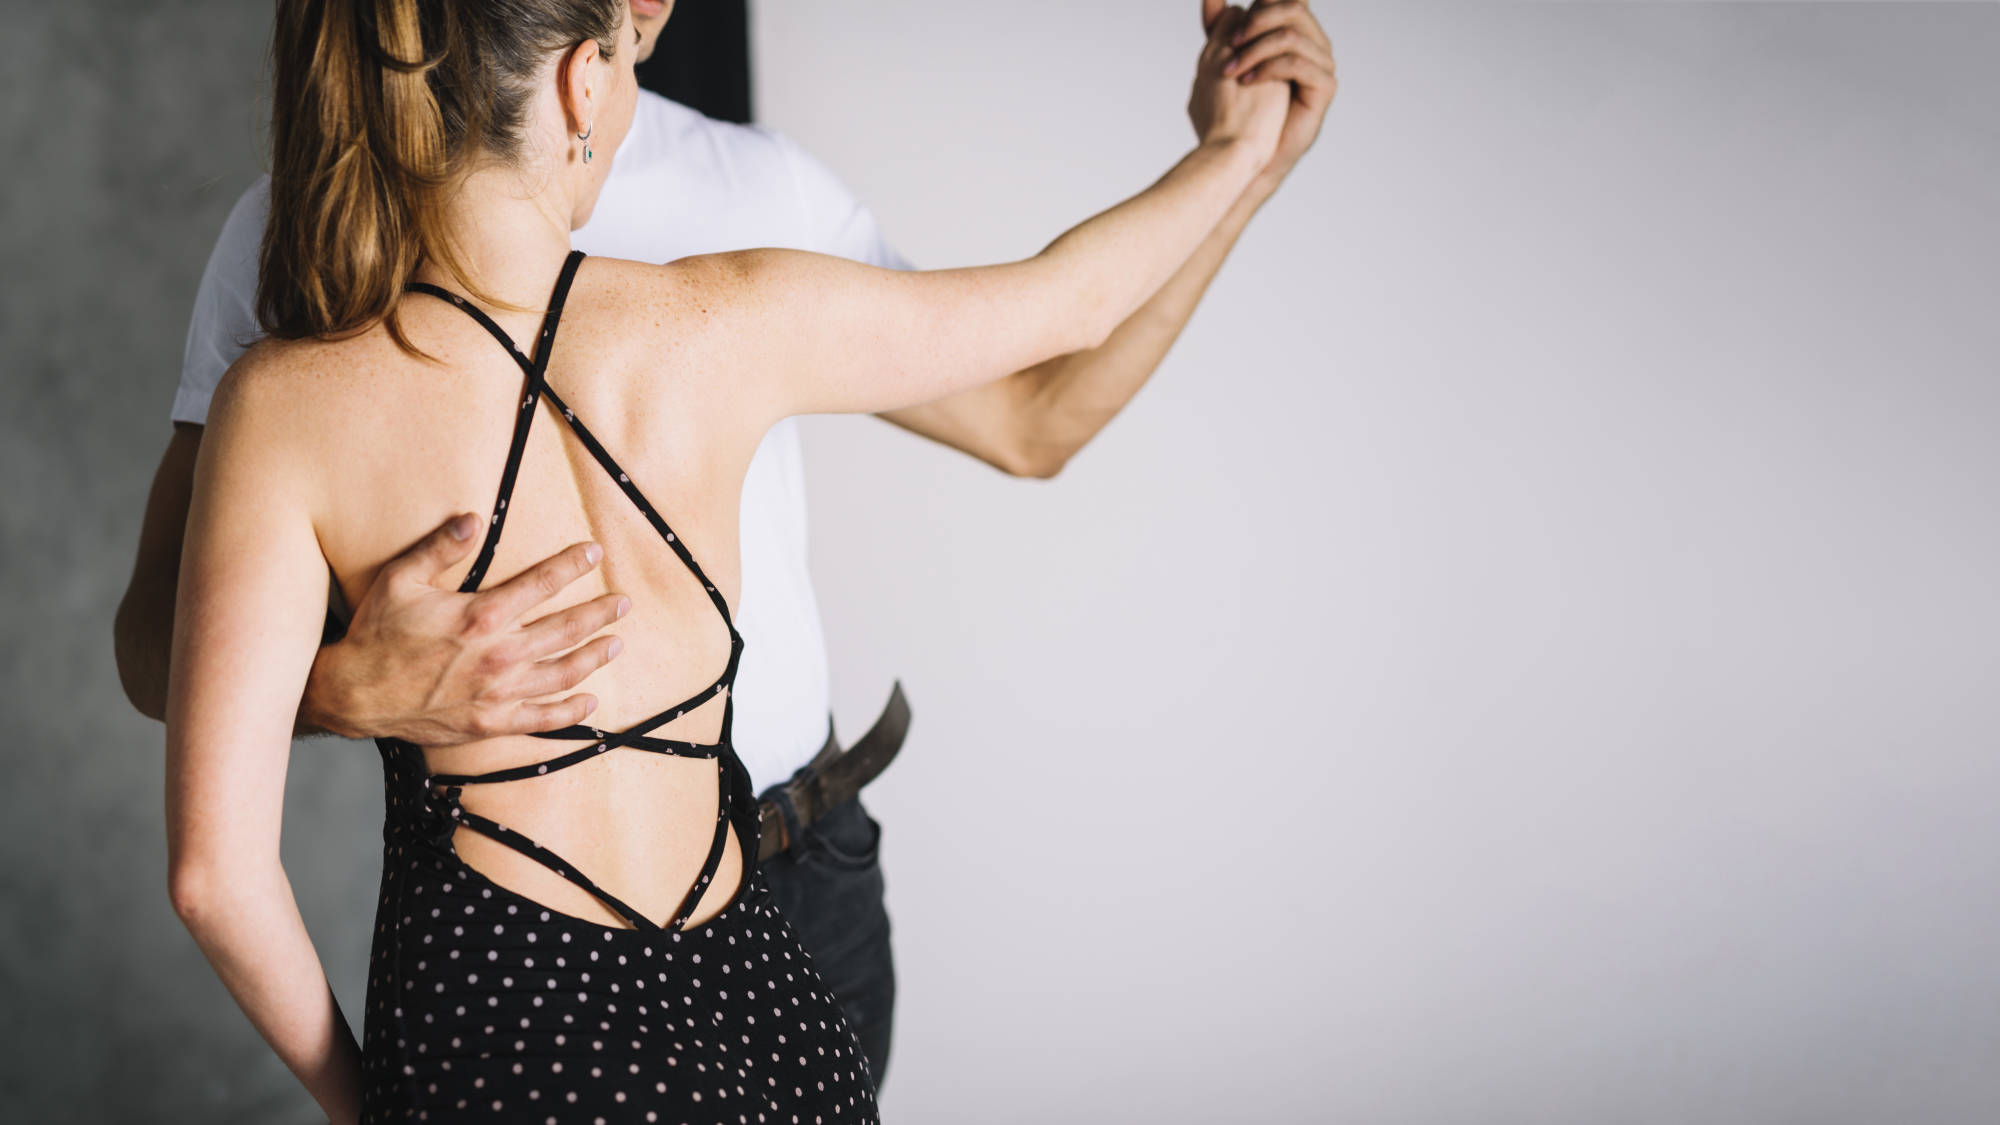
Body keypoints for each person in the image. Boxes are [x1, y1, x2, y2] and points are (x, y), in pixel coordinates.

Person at [125, 0, 1334, 1109]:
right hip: (762, 1001)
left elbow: (214, 879)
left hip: (513, 1010)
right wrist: (1231, 153)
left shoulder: (280, 405)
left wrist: (368, 1102)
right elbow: (1068, 301)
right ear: (581, 79)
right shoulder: (727, 319)